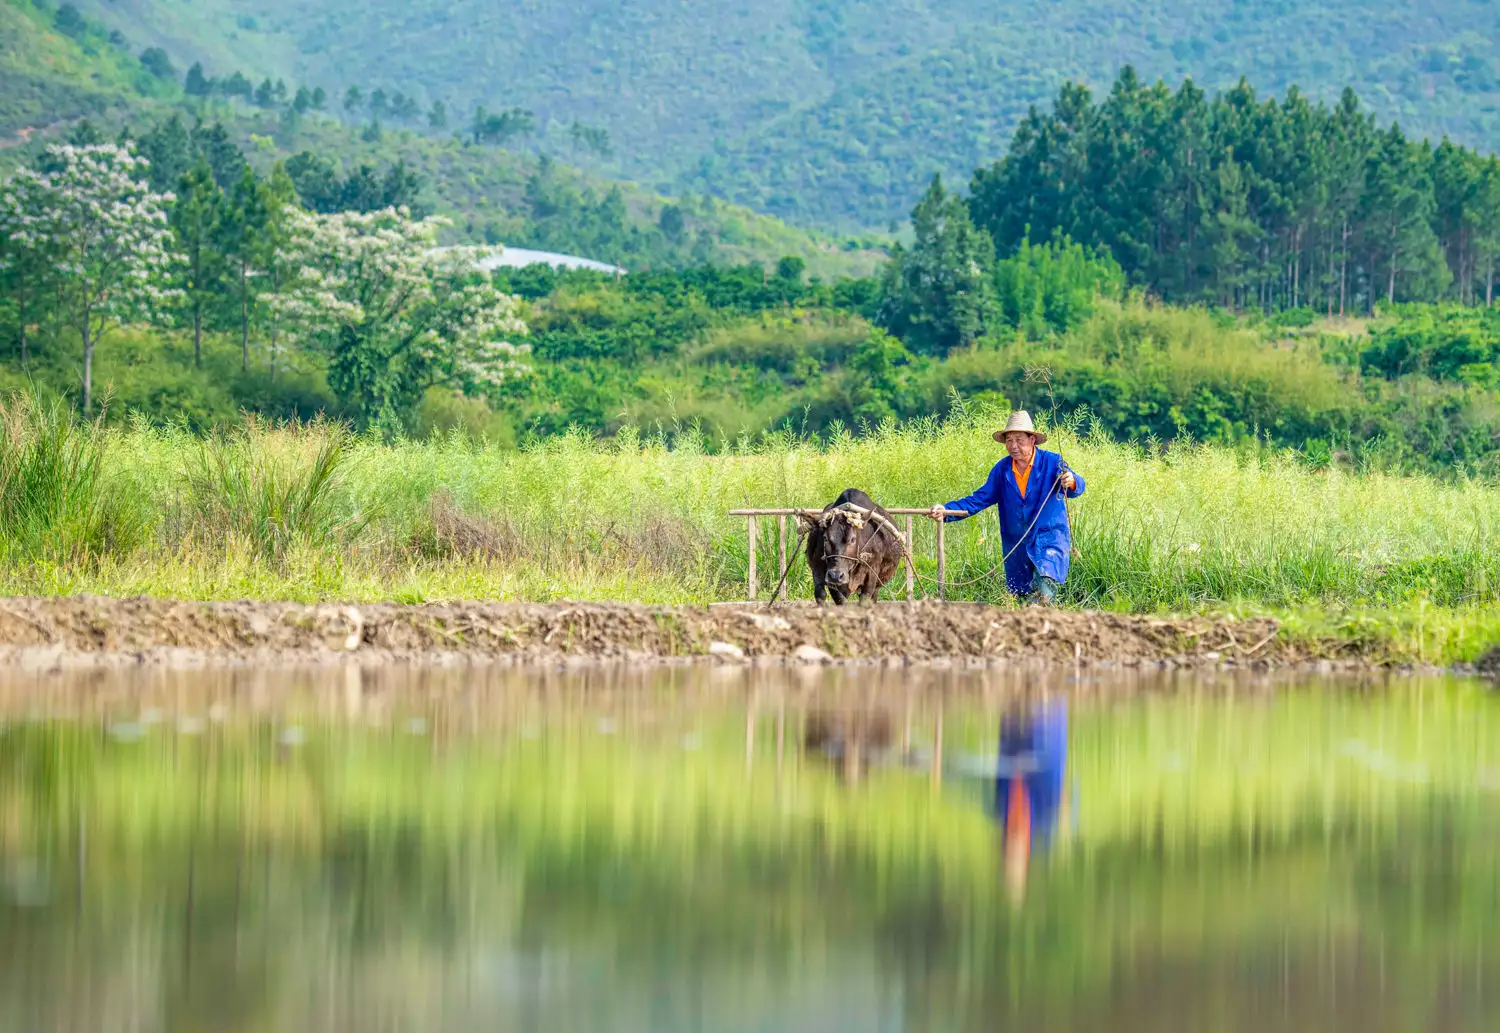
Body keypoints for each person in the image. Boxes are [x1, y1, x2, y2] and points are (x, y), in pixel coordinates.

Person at [927, 410, 1084, 604]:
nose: (1013, 446)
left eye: (1019, 440)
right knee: (1021, 598)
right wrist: (947, 511)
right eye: (1009, 441)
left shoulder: (1052, 462)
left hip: (1048, 538)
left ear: (1032, 439)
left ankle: (1036, 617)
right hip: (1016, 544)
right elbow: (979, 499)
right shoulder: (1002, 470)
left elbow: (1077, 486)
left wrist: (1071, 480)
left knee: (1044, 588)